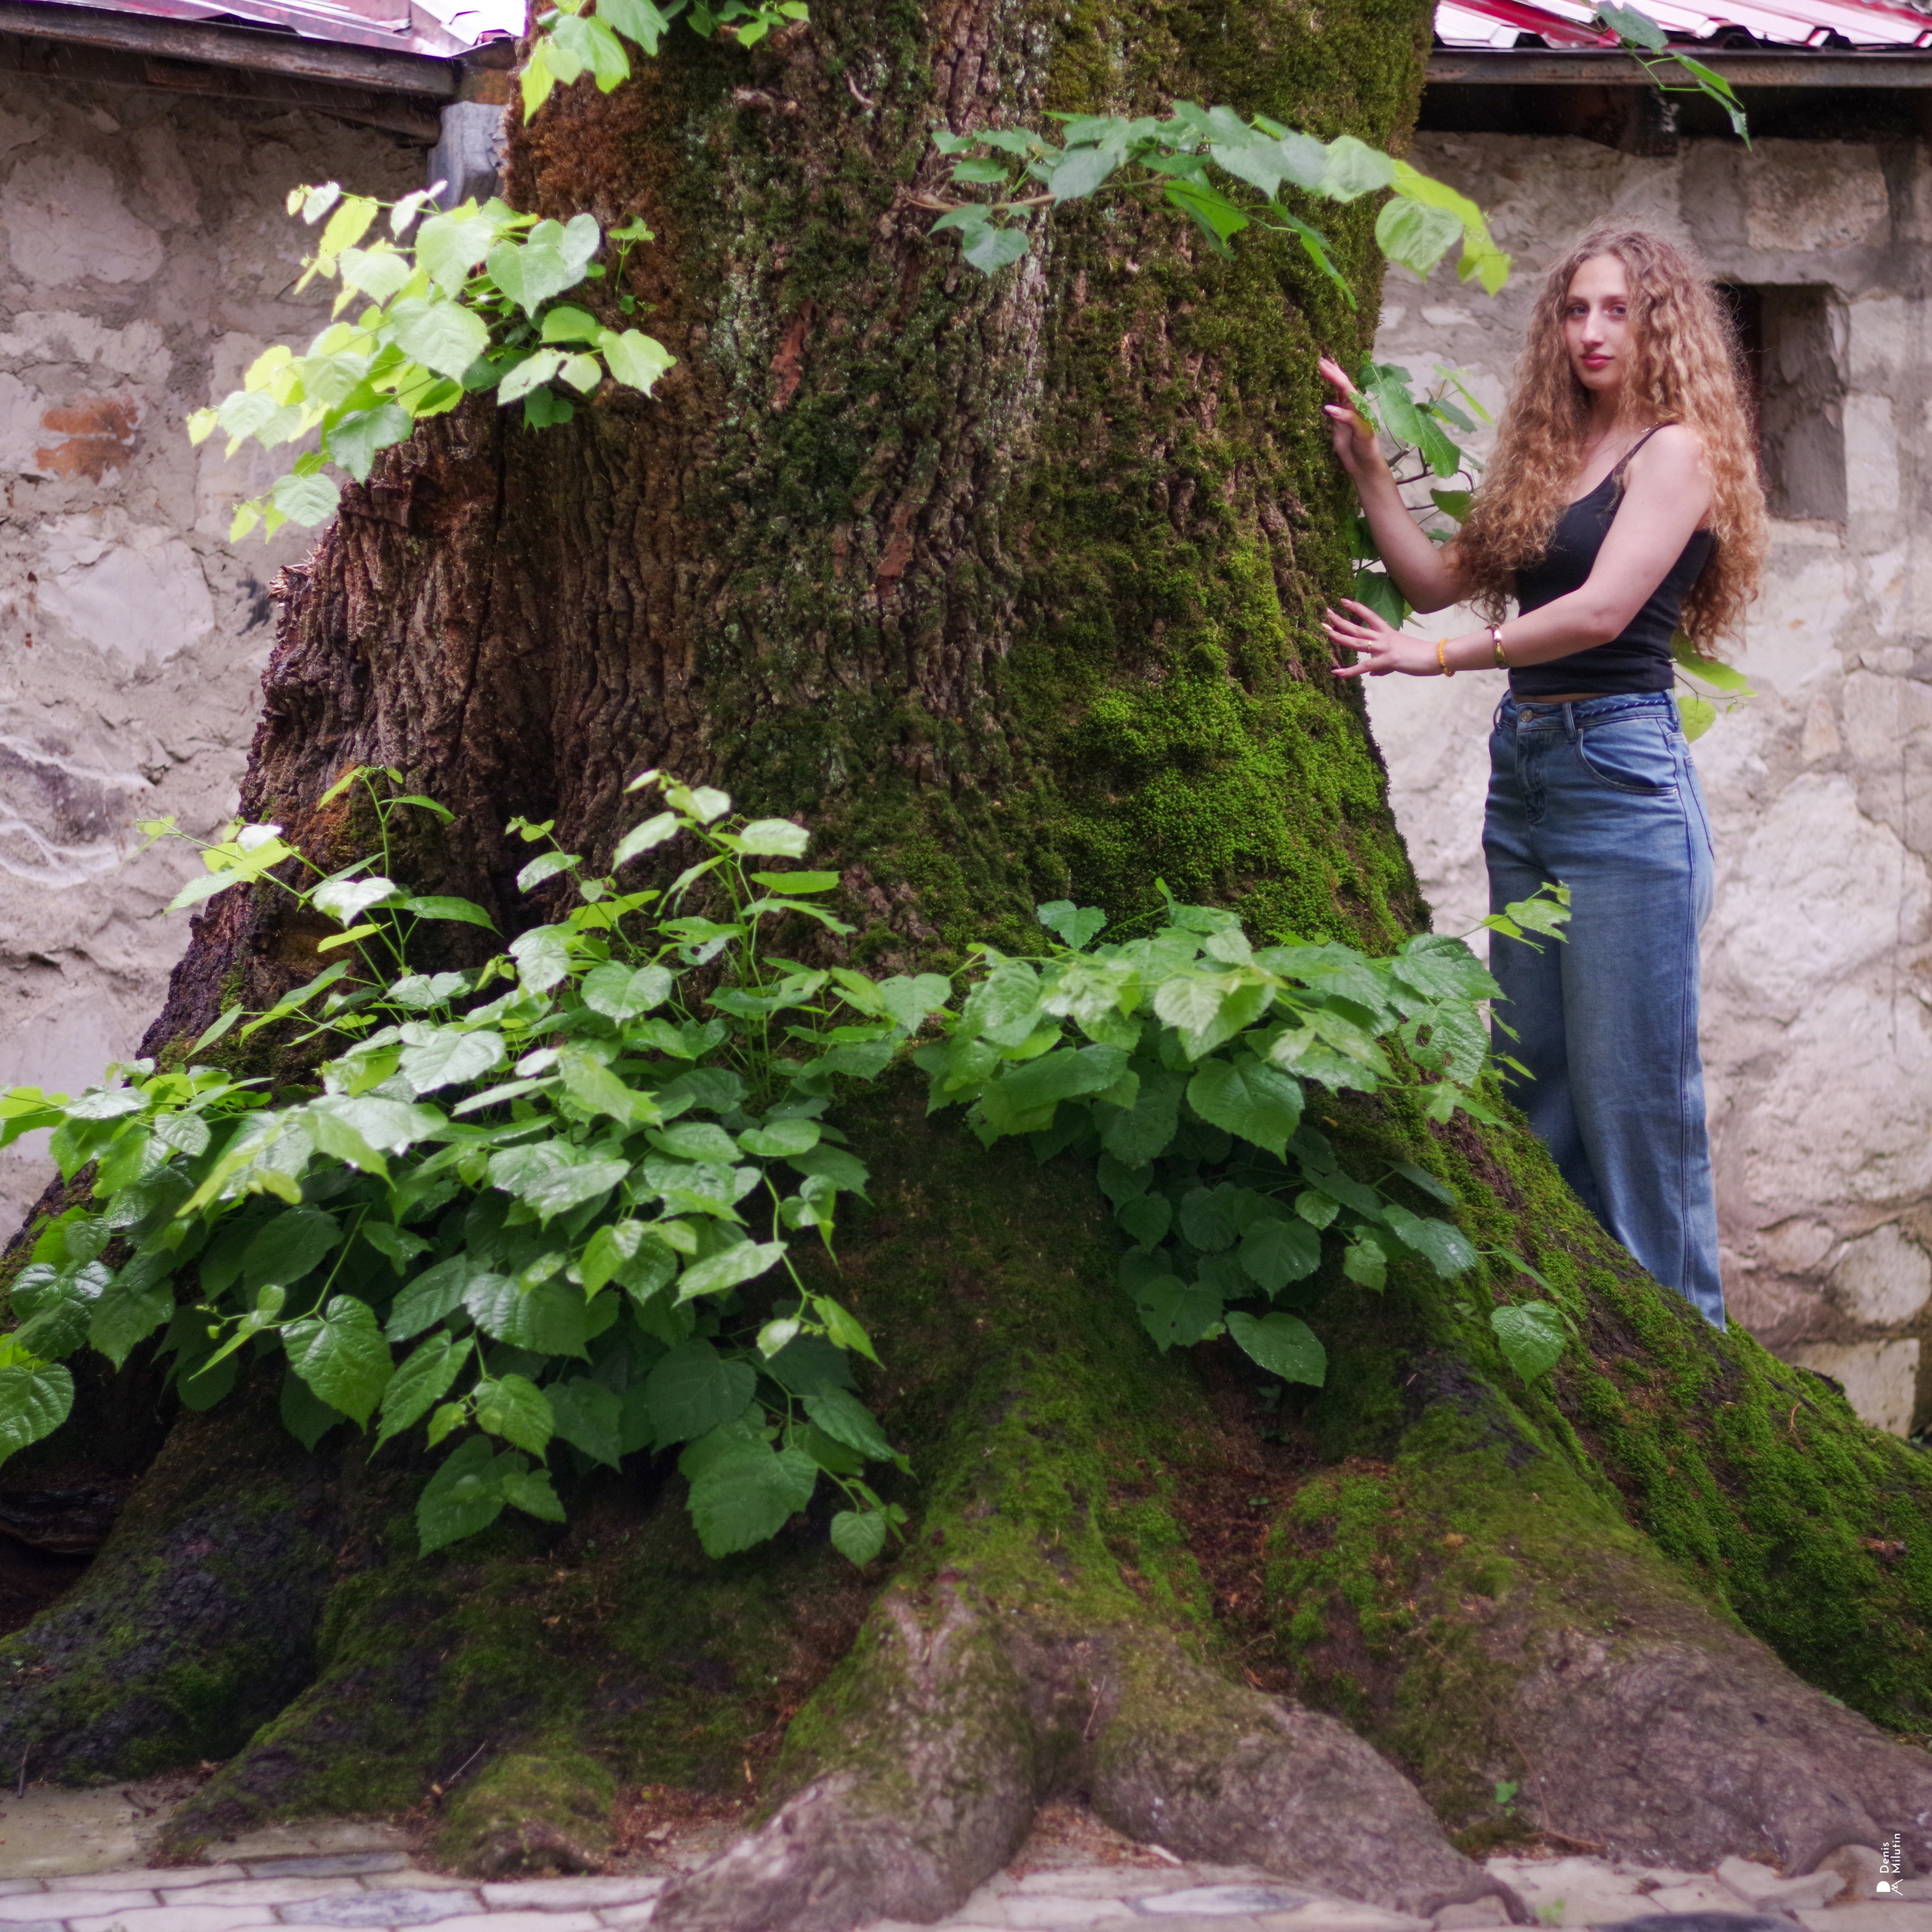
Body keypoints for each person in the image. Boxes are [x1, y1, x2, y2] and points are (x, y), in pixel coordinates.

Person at [1316, 226, 1766, 1330]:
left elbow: (1602, 611)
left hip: (1621, 775)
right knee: (1538, 1087)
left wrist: (1442, 661)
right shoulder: (1550, 458)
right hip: (1527, 769)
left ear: (1662, 322)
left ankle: (1691, 1365)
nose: (1593, 331)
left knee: (1634, 1102)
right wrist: (1372, 469)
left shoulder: (1679, 449)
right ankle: (1586, 1345)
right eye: (1575, 310)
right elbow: (1430, 585)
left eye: (1618, 310)